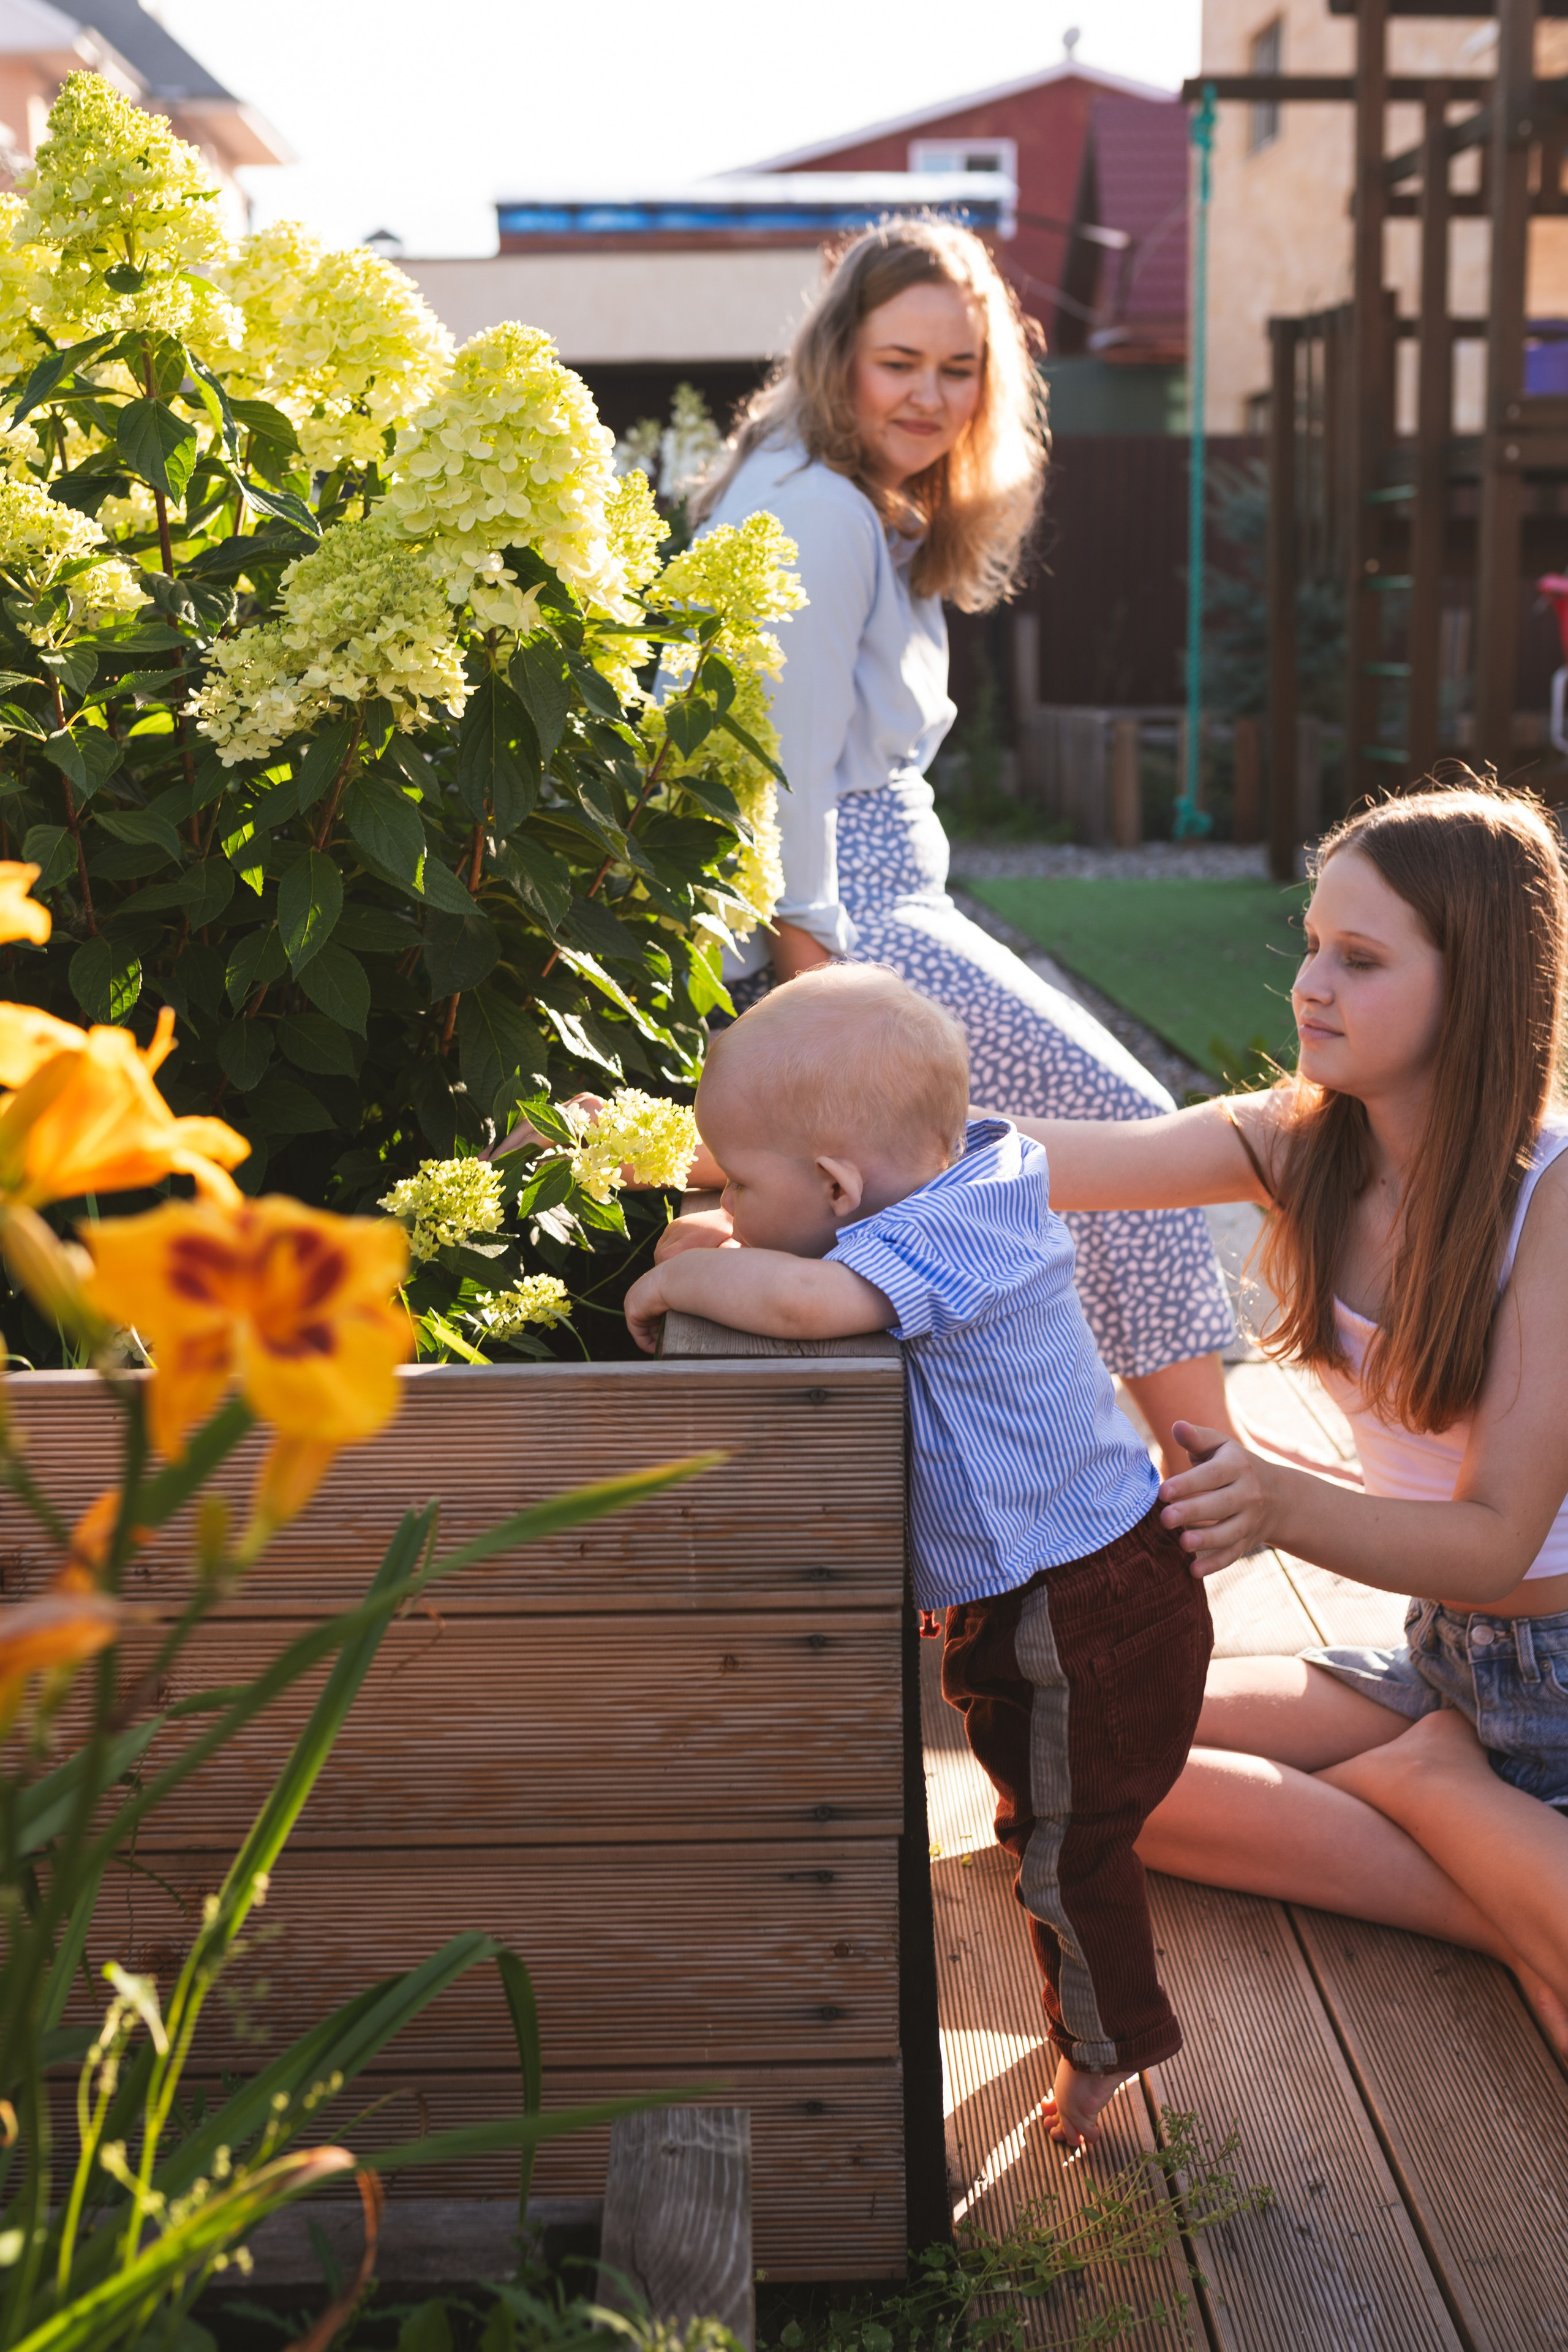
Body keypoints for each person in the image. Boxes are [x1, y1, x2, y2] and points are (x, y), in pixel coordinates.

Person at [995, 782, 1568, 2053]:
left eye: (1357, 960)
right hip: (1445, 1663)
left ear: (1471, 986)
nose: (1309, 983)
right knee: (1069, 1761)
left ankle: (1448, 1805)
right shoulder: (1299, 1147)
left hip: (1556, 1673)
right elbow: (1028, 1162)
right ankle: (1488, 1859)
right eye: (1311, 944)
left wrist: (1276, 1501)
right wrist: (745, 1149)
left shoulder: (1554, 1199)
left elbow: (1493, 1539)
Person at [627, 963, 1213, 2149]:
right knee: (1051, 1816)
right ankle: (1100, 2023)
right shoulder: (969, 1169)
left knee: (1065, 1851)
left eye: (741, 1184)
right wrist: (720, 1206)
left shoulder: (935, 1245)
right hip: (1075, 1581)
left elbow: (801, 1304)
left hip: (1077, 1609)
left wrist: (682, 1273)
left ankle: (1108, 2054)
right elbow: (795, 1255)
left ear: (841, 1187)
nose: (727, 1203)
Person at [687, 216, 1237, 1475]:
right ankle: (1215, 1484)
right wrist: (811, 985)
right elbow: (778, 774)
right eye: (899, 363)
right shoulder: (819, 512)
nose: (930, 396)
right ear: (839, 357)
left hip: (884, 892)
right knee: (1131, 1133)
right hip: (852, 910)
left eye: (959, 367)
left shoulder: (839, 496)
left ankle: (1164, 1472)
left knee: (1037, 1170)